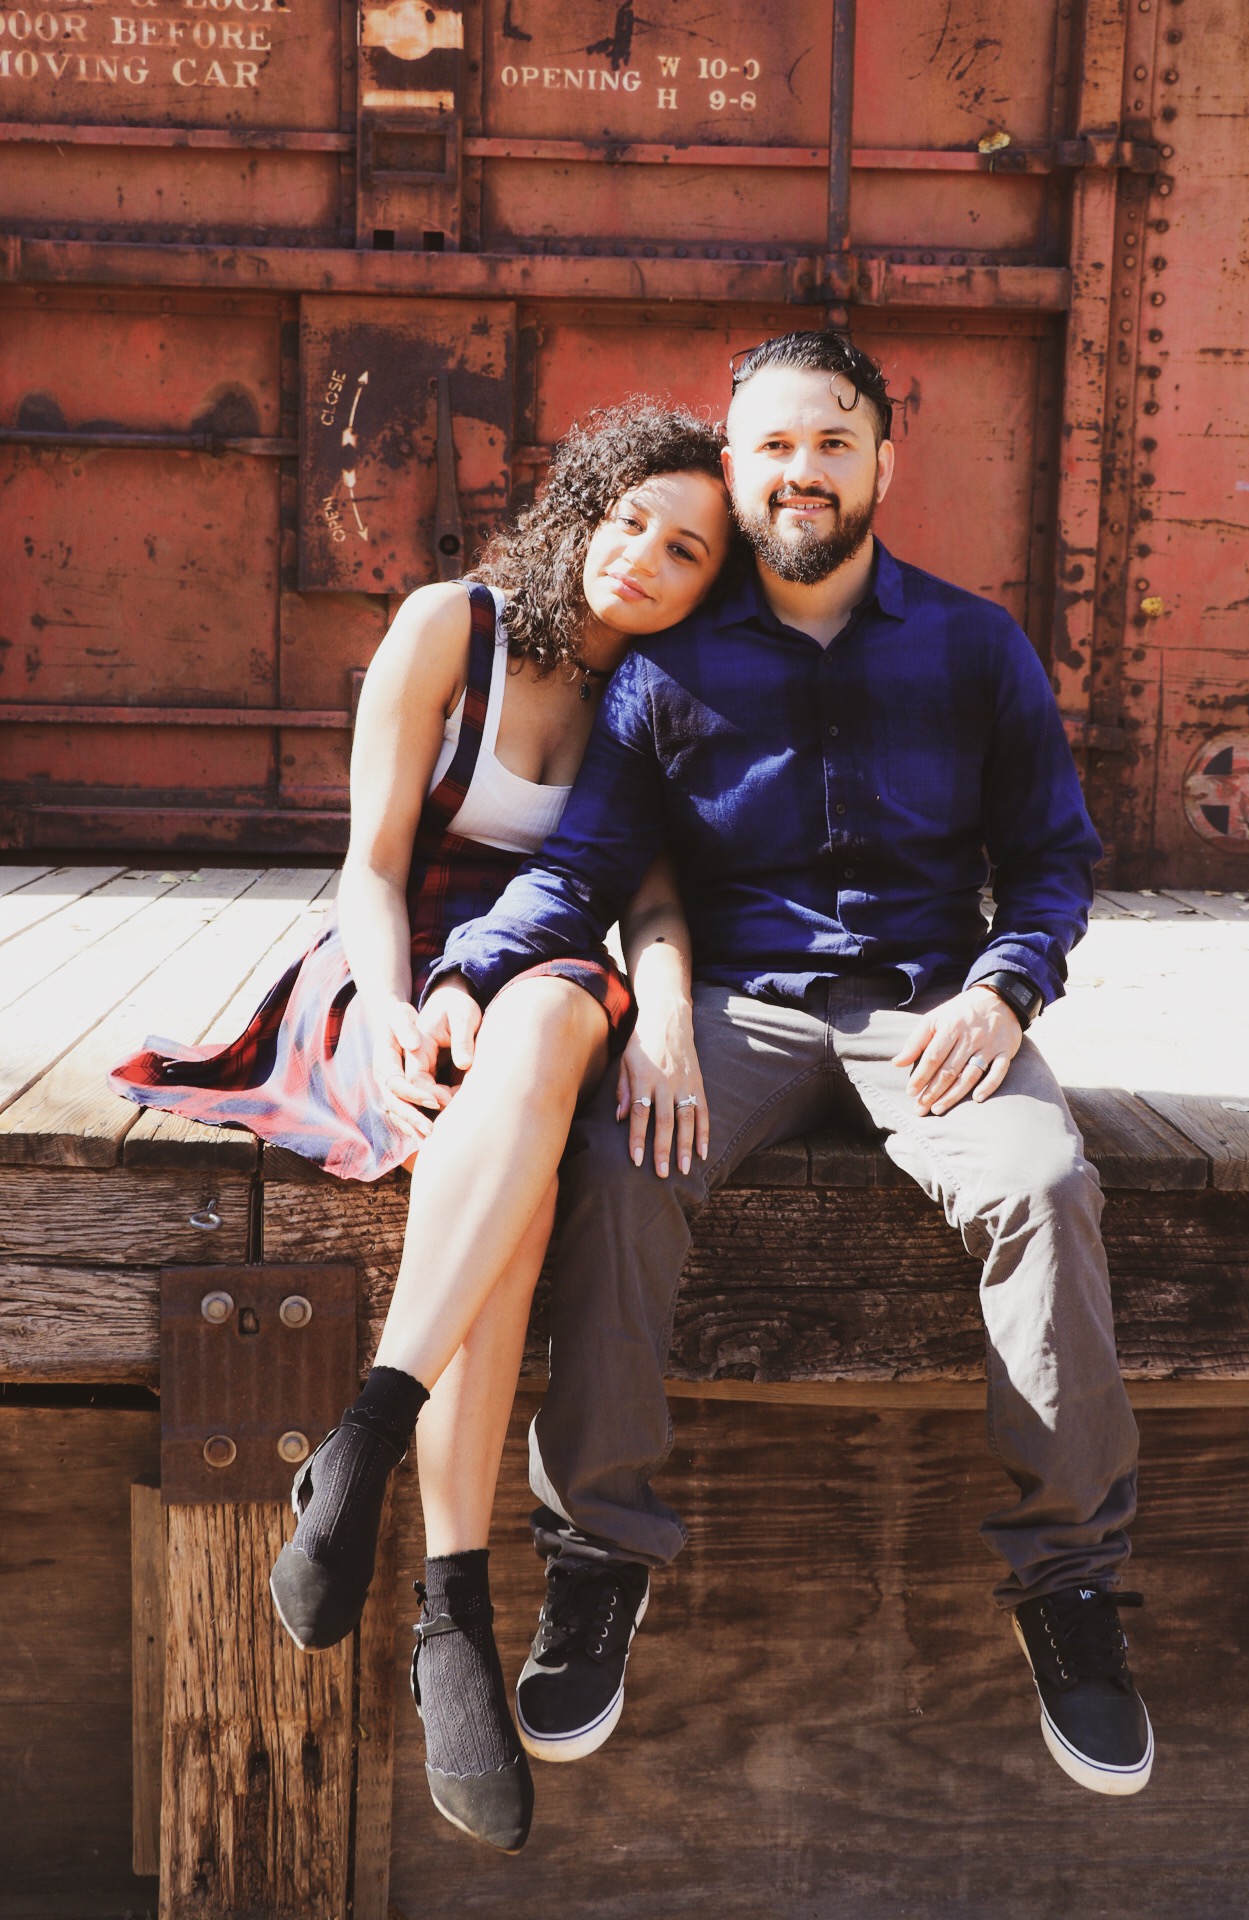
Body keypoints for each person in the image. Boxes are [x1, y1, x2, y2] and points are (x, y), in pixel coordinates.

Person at [418, 331, 1154, 1800]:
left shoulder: (976, 646)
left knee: (1044, 1183)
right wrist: (462, 974)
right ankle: (597, 1557)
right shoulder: (669, 669)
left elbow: (1053, 861)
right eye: (772, 446)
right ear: (736, 466)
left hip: (931, 1009)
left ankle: (1069, 1585)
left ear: (884, 460)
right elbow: (579, 870)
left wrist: (1006, 991)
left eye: (831, 442)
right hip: (739, 1011)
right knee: (619, 1164)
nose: (801, 471)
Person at [109, 403, 734, 1853]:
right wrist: (392, 1007)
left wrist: (670, 1013)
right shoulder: (453, 628)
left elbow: (648, 900)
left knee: (553, 1033)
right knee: (516, 1183)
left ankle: (365, 1438)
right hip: (396, 962)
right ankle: (453, 1610)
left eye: (686, 551)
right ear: (586, 505)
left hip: (549, 971)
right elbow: (375, 866)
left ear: (714, 583)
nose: (643, 559)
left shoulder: (662, 691)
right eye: (631, 519)